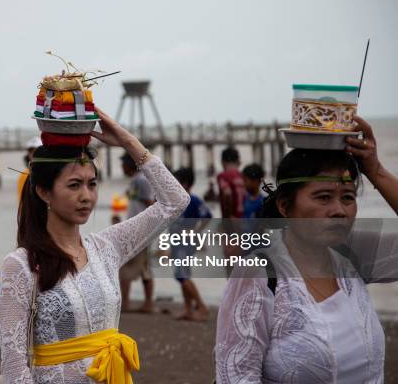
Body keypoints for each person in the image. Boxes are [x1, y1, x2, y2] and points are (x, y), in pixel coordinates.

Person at [0, 107, 189, 383]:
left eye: (92, 184)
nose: (87, 196)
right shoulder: (20, 265)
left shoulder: (106, 248)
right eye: (74, 185)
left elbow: (175, 201)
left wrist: (126, 141)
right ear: (44, 191)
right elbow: (15, 366)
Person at [215, 116, 398, 383]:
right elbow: (236, 376)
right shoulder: (259, 273)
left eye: (348, 197)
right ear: (285, 207)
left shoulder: (353, 253)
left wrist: (376, 171)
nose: (338, 211)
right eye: (323, 197)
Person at [170, 167, 212, 321]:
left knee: (181, 275)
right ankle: (188, 309)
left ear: (185, 184)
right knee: (184, 274)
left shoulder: (192, 200)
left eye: (176, 181)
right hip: (176, 242)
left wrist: (195, 231)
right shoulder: (176, 201)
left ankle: (201, 306)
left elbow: (207, 216)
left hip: (186, 243)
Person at [119, 153, 156, 313]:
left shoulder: (141, 180)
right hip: (133, 230)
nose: (121, 167)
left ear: (130, 164)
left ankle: (146, 303)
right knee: (136, 267)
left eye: (123, 164)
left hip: (141, 231)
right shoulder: (134, 181)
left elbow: (151, 204)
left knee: (141, 267)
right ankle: (127, 302)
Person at [217, 146, 245, 219]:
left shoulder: (223, 176)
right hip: (244, 219)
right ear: (237, 161)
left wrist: (228, 217)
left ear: (223, 162)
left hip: (232, 221)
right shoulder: (242, 176)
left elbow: (227, 193)